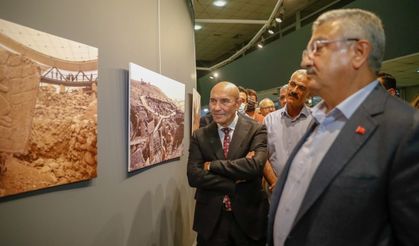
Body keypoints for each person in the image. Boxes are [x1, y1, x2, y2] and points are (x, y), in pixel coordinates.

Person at [268, 9, 419, 246]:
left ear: (358, 53)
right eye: (307, 51)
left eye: (318, 48)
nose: (305, 60)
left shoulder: (405, 130)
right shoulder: (320, 119)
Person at [188, 81, 269, 245]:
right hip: (211, 221)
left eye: (224, 101)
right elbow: (194, 176)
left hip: (249, 219)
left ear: (238, 103)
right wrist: (235, 182)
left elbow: (255, 166)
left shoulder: (256, 129)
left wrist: (212, 166)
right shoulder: (200, 135)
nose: (216, 107)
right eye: (213, 100)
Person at [263, 69, 312, 195]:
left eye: (301, 88)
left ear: (309, 94)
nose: (294, 90)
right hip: (275, 193)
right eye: (292, 84)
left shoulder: (316, 120)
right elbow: (262, 156)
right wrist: (275, 182)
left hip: (305, 193)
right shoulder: (269, 120)